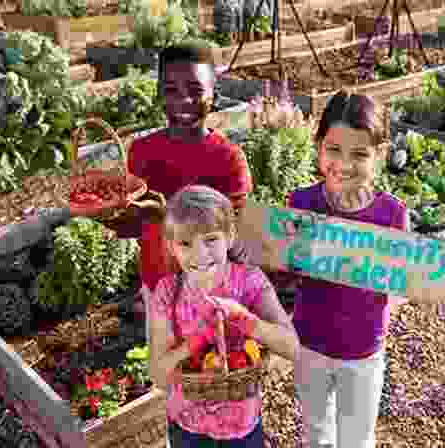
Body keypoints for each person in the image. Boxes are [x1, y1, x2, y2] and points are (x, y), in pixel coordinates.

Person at [90, 43, 253, 335]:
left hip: (213, 293)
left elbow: (233, 233)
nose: (183, 100)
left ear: (213, 93)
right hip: (158, 286)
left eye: (195, 89)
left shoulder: (229, 158)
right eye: (171, 90)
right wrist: (109, 214)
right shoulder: (142, 152)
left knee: (213, 369)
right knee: (169, 369)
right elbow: (131, 228)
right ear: (159, 95)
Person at [284, 90, 410, 448]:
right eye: (333, 150)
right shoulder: (301, 202)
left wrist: (430, 290)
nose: (343, 164)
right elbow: (285, 268)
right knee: (316, 434)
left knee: (356, 439)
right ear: (319, 148)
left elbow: (403, 276)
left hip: (363, 349)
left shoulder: (391, 214)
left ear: (379, 156)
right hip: (310, 343)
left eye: (359, 154)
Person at [145, 185, 299, 447]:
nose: (200, 254)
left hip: (241, 424)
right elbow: (158, 374)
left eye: (211, 240)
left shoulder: (250, 281)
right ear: (172, 247)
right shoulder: (167, 292)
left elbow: (293, 348)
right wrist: (195, 343)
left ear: (230, 236)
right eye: (185, 243)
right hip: (187, 425)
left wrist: (245, 320)